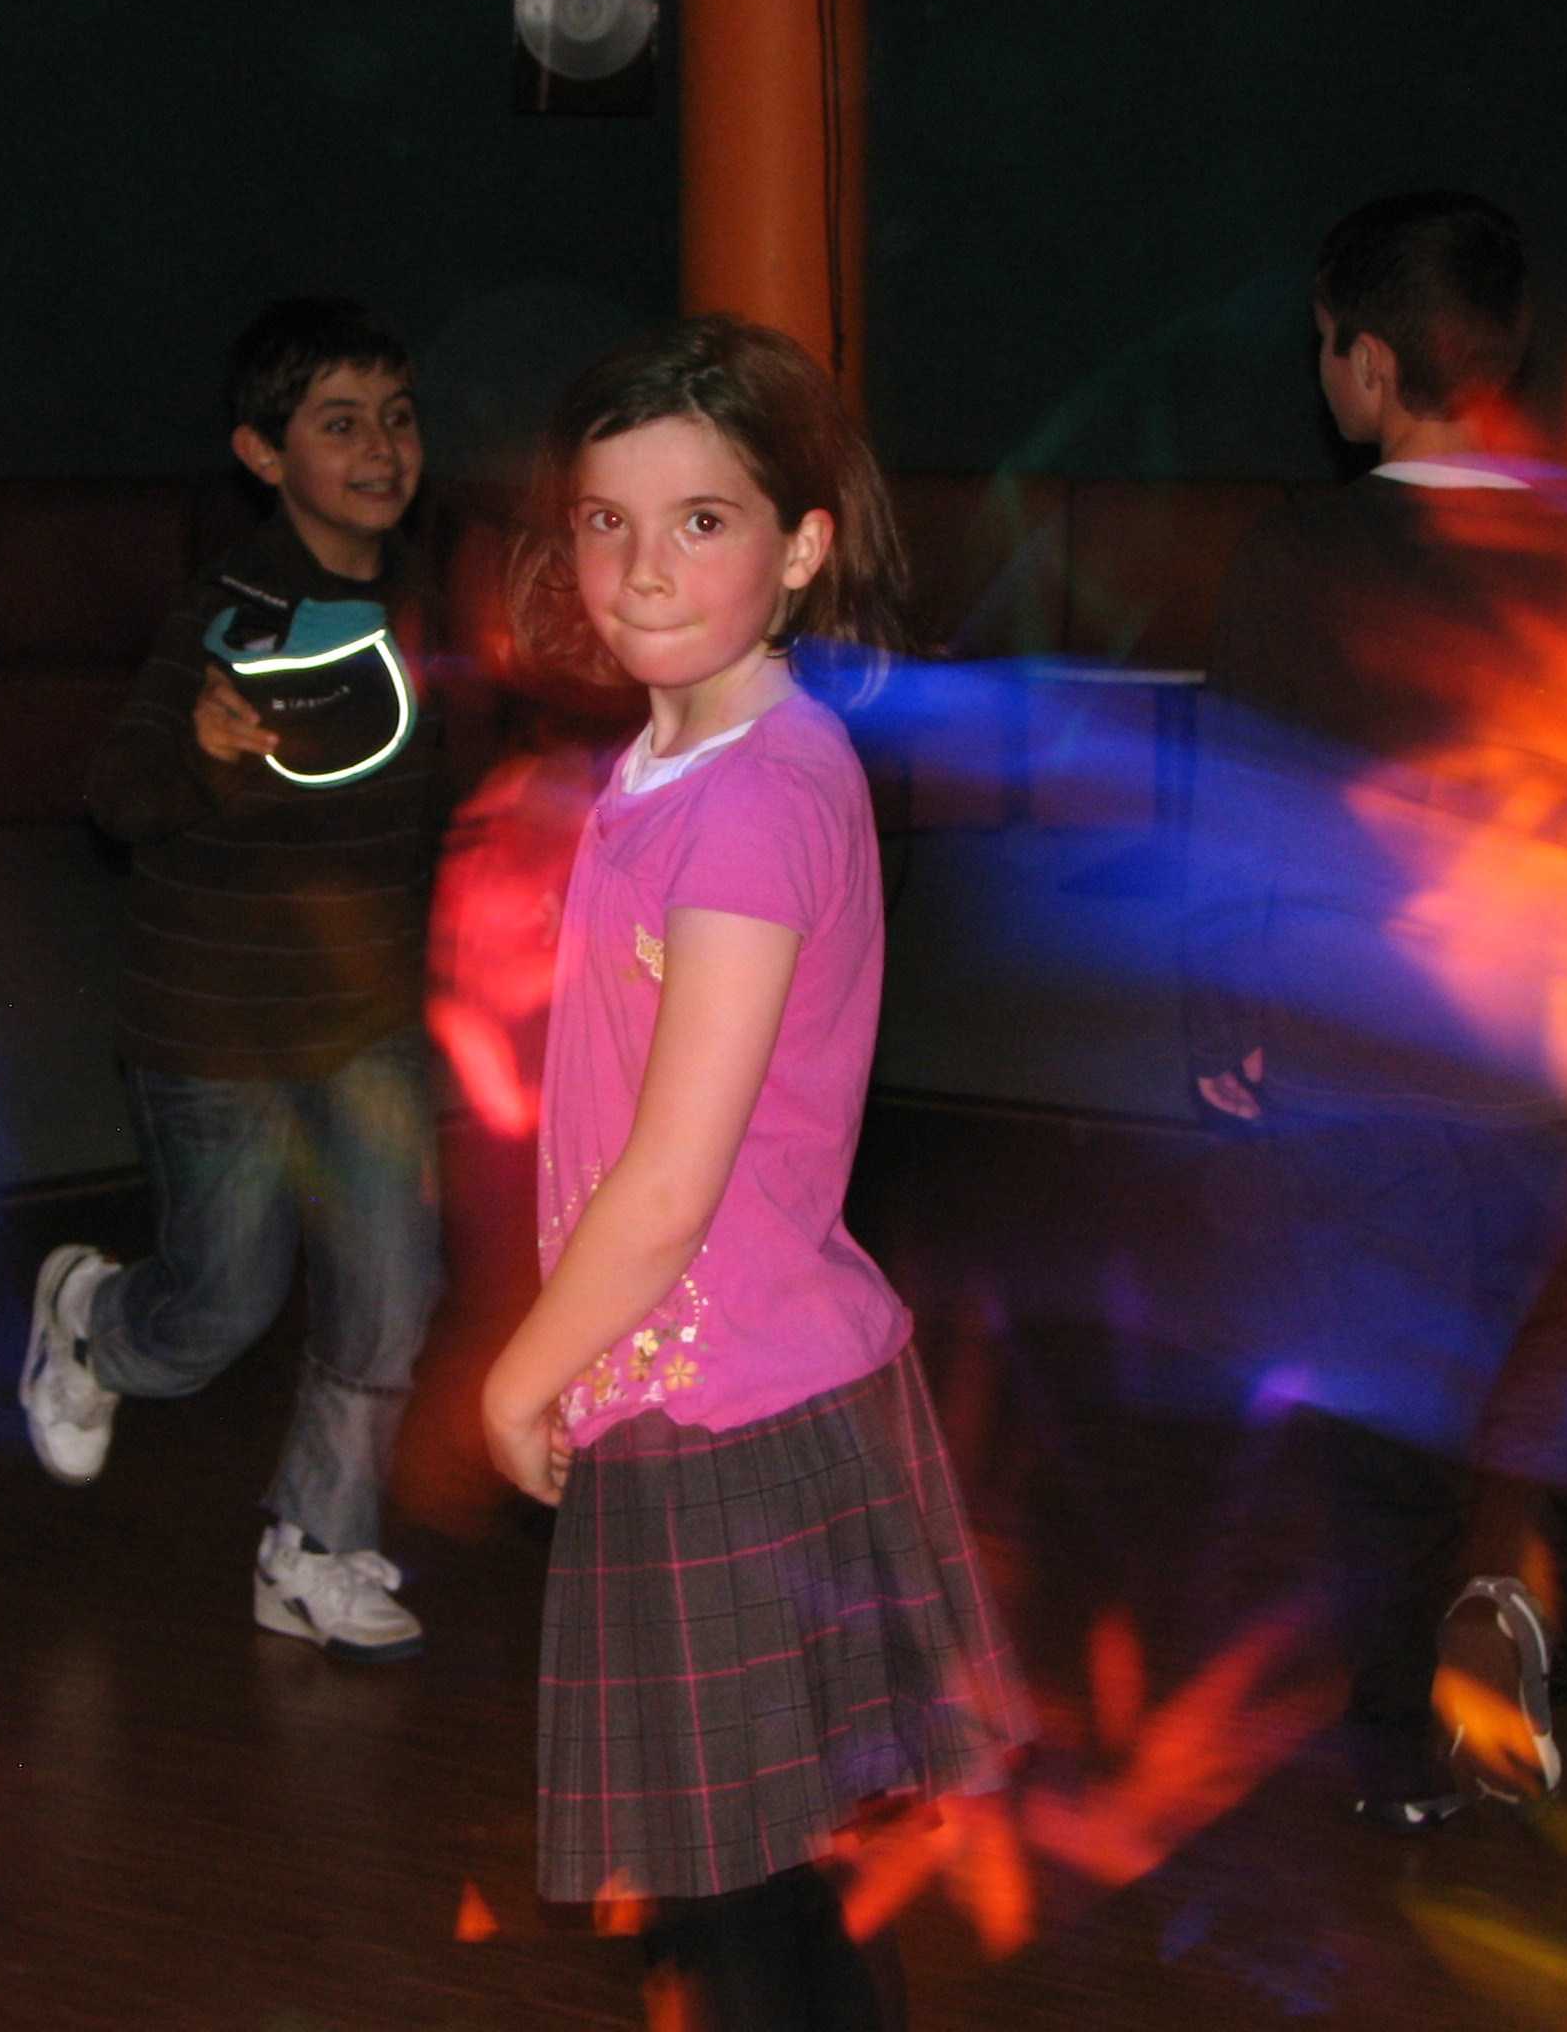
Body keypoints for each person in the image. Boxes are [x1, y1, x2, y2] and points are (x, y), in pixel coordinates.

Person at [483, 316, 1028, 2028]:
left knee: (747, 1914)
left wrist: (518, 1373)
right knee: (757, 1902)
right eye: (608, 520)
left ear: (799, 549)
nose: (643, 565)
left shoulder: (750, 804)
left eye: (702, 521)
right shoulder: (674, 766)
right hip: (711, 1382)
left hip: (726, 1409)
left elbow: (670, 1182)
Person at [1185, 195, 1567, 1830]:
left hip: (1360, 1065)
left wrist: (1221, 1024)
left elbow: (1241, 816)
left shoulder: (1299, 557)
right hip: (1550, 1055)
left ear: (1375, 364)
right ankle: (1548, 1611)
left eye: (1327, 346)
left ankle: (1400, 1739)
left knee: (1387, 1401)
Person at [20, 297, 447, 1661]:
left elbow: (446, 794)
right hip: (214, 1031)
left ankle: (313, 1550)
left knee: (390, 1295)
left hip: (366, 1025)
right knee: (220, 1306)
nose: (380, 448)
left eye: (396, 418)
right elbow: (118, 795)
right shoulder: (228, 612)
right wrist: (202, 753)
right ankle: (92, 1322)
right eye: (340, 424)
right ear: (264, 456)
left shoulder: (431, 601)